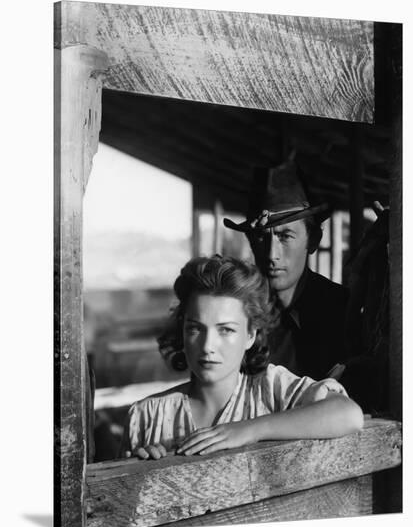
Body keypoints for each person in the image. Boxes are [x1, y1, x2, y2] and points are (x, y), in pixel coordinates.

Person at [119, 255, 362, 460]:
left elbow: (347, 414)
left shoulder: (271, 389)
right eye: (195, 328)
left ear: (250, 335)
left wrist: (248, 430)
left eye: (226, 330)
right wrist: (145, 464)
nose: (207, 346)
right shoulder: (147, 416)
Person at [223, 160, 349, 380]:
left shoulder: (343, 309)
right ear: (252, 241)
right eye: (262, 237)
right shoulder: (237, 312)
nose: (272, 255)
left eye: (285, 236)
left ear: (314, 240)